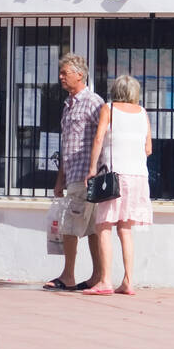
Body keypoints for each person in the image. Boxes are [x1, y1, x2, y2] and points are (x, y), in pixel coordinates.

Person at [85, 74, 153, 296]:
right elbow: (148, 149)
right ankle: (128, 281)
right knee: (125, 228)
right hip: (139, 177)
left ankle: (105, 280)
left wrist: (92, 168)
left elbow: (98, 138)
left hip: (116, 176)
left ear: (115, 90)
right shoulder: (143, 113)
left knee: (104, 225)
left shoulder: (109, 109)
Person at [46, 54, 106, 291]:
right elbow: (66, 144)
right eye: (61, 73)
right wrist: (60, 178)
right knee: (91, 228)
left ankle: (68, 275)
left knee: (70, 225)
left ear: (80, 75)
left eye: (65, 73)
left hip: (87, 175)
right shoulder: (68, 105)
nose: (61, 77)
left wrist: (94, 169)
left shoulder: (93, 102)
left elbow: (102, 137)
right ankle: (96, 276)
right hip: (73, 174)